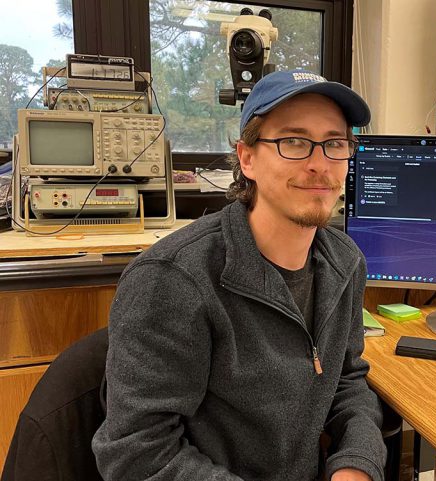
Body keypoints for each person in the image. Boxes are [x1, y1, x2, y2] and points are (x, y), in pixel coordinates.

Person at [92, 69, 386, 481]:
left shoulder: (345, 262)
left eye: (335, 144)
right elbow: (136, 454)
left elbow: (346, 381)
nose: (320, 164)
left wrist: (356, 464)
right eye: (294, 142)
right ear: (247, 158)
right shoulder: (174, 279)